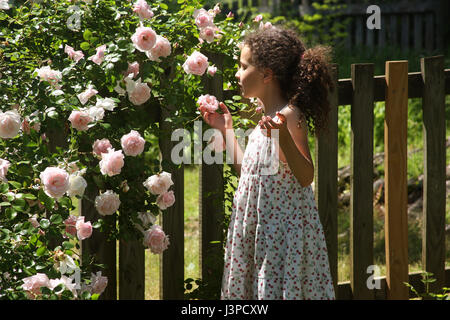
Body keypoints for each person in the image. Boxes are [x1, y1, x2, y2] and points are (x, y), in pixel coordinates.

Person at [198, 26, 335, 300]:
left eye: (243, 66)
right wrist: (226, 131)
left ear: (266, 75)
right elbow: (249, 174)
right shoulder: (266, 118)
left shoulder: (289, 116)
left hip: (282, 239)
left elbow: (306, 176)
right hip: (257, 232)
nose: (237, 73)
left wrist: (283, 138)